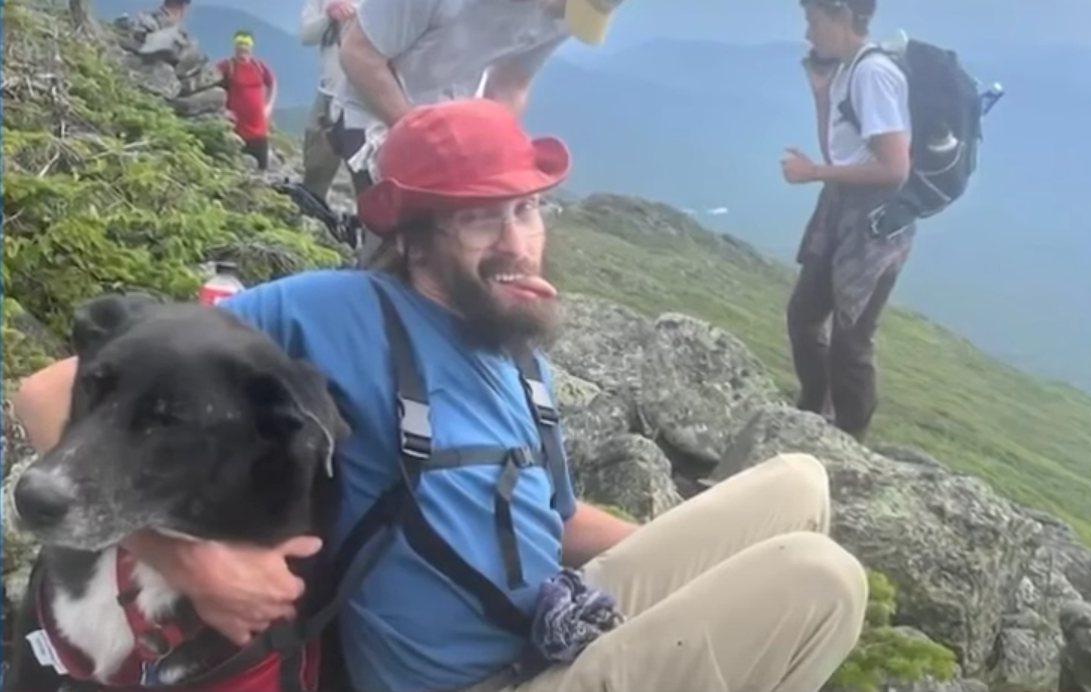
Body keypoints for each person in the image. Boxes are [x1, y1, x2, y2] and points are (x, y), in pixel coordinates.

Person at [13, 100, 868, 692]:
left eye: (529, 210)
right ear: (415, 237)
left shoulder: (514, 351)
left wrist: (689, 567)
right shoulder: (336, 310)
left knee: (799, 482)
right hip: (474, 680)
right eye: (480, 218)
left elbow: (562, 521)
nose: (519, 242)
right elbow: (51, 392)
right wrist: (194, 562)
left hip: (549, 626)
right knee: (820, 580)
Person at [331, 0, 629, 268]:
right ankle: (366, 297)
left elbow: (511, 81)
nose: (563, 17)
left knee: (461, 233)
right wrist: (417, 132)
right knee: (404, 234)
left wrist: (495, 149)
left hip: (453, 121)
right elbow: (359, 54)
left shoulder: (563, 14)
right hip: (372, 114)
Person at [779, 0, 912, 442]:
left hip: (872, 222)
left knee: (851, 340)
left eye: (813, 20)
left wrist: (815, 173)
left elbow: (895, 168)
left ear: (842, 17)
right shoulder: (847, 70)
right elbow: (841, 147)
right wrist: (821, 97)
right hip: (840, 208)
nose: (808, 32)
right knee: (805, 314)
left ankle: (849, 440)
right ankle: (814, 411)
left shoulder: (873, 74)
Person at [298, 0, 359, 200]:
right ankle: (311, 216)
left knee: (363, 174)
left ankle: (368, 225)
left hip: (363, 97)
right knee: (316, 169)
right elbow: (306, 35)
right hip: (327, 94)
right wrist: (329, 15)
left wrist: (352, 12)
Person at [217, 30, 277, 172]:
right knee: (238, 170)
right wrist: (223, 111)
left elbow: (272, 83)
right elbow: (211, 86)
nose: (242, 52)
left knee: (261, 171)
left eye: (245, 48)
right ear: (234, 48)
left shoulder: (259, 66)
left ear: (251, 49)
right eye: (240, 48)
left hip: (259, 131)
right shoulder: (226, 66)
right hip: (237, 130)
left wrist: (268, 106)